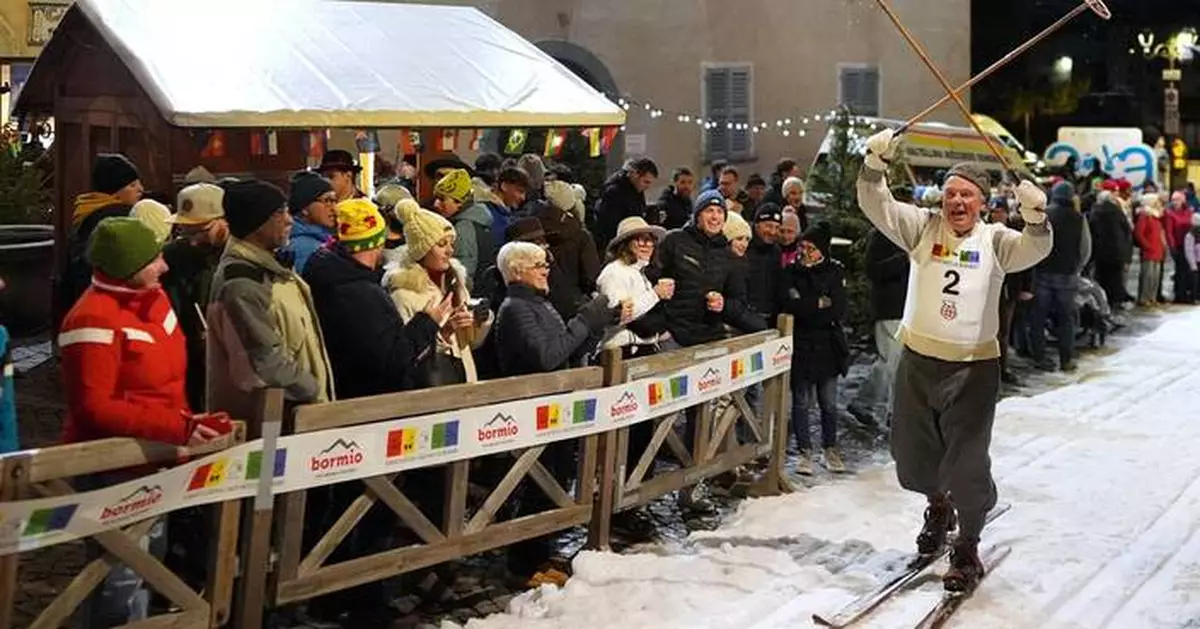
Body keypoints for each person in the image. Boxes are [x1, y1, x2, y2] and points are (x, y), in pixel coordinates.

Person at [858, 128, 1052, 592]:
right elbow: (875, 203)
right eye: (950, 194)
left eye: (966, 194)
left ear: (982, 201)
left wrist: (1037, 216)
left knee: (965, 463)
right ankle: (937, 502)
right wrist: (874, 165)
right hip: (919, 364)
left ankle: (967, 543)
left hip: (973, 370)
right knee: (911, 460)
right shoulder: (922, 228)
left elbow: (1038, 247)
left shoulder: (997, 240)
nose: (957, 202)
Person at [58, 217, 229, 627]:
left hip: (154, 456)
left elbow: (164, 384)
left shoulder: (153, 299)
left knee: (148, 562)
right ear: (126, 265)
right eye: (154, 259)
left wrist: (189, 421)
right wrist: (178, 428)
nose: (164, 265)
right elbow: (95, 409)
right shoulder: (90, 321)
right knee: (120, 574)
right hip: (115, 466)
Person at [206, 180, 334, 421]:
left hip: (296, 413)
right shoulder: (242, 283)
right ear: (256, 223)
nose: (289, 220)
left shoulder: (273, 267)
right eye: (279, 213)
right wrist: (313, 388)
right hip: (271, 421)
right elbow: (266, 362)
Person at [385, 200, 491, 387]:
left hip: (465, 383)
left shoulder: (456, 282)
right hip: (431, 389)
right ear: (422, 249)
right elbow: (406, 356)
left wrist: (478, 321)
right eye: (442, 244)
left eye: (451, 243)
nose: (450, 251)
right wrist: (444, 332)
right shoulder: (404, 294)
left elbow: (470, 344)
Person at [779, 222, 849, 475]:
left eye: (810, 247)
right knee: (801, 402)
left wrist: (807, 305)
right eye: (802, 246)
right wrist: (817, 304)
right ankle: (804, 451)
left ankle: (830, 448)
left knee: (829, 402)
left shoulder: (834, 272)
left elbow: (837, 308)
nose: (805, 251)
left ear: (821, 250)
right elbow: (788, 304)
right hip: (801, 346)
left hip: (828, 348)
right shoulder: (791, 272)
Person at [161, 183, 229, 411]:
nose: (192, 241)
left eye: (200, 231)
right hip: (187, 367)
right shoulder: (172, 258)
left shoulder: (240, 258)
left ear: (225, 221)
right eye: (184, 231)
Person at [60, 154, 145, 318]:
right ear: (114, 189)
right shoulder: (118, 218)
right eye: (132, 185)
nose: (141, 188)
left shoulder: (86, 208)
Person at [849, 227, 909, 425]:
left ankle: (887, 409)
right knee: (890, 362)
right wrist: (904, 259)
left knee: (901, 362)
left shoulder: (912, 233)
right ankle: (869, 404)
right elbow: (873, 269)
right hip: (890, 308)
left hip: (910, 308)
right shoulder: (882, 234)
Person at [1029, 182, 1091, 373]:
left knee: (1038, 319)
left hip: (1042, 274)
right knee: (1066, 319)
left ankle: (1039, 357)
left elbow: (1032, 244)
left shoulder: (1043, 216)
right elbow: (1085, 248)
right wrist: (1077, 267)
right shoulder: (1079, 218)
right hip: (1068, 275)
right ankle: (1066, 359)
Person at [432, 168, 494, 290]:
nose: (436, 204)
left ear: (459, 202)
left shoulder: (463, 229)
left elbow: (463, 274)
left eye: (442, 199)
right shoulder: (478, 221)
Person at [594, 158, 658, 250]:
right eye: (645, 182)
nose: (647, 187)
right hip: (617, 244)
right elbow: (609, 224)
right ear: (635, 175)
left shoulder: (636, 190)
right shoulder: (614, 192)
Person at [283, 171, 337, 274]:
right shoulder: (305, 249)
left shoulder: (319, 239)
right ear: (304, 208)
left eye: (335, 201)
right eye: (327, 201)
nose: (334, 208)